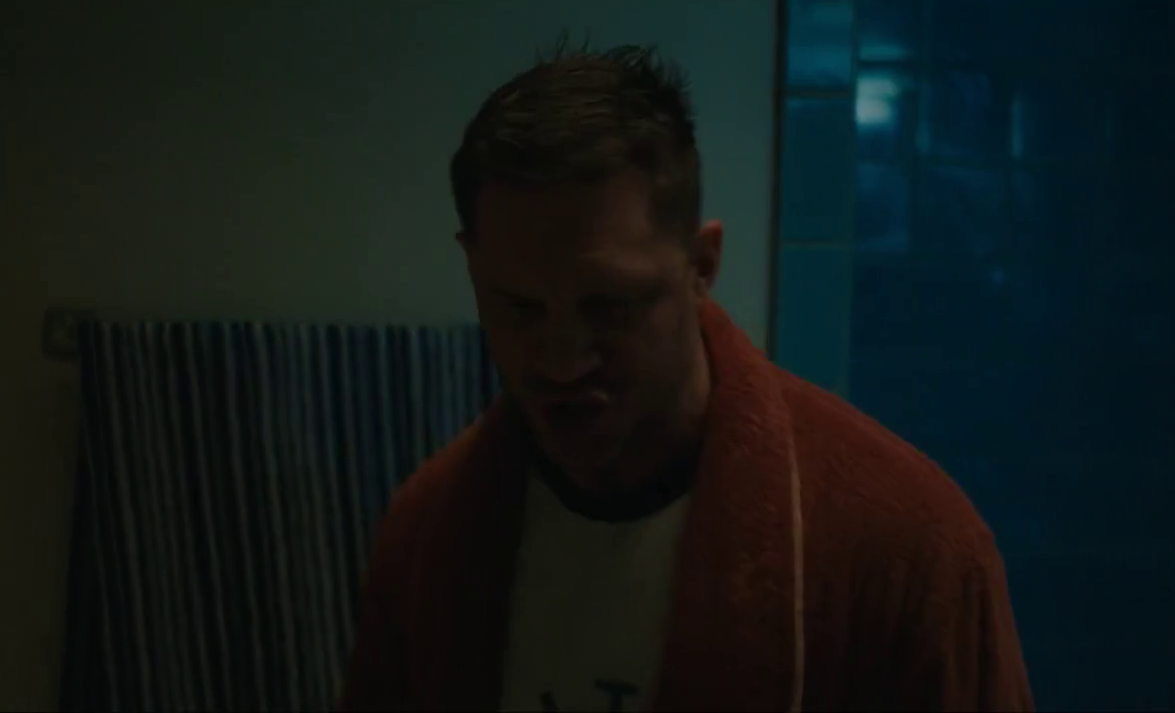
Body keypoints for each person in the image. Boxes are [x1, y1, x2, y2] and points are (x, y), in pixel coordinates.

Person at [340, 42, 1033, 713]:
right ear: (473, 268)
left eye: (608, 307)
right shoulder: (427, 536)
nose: (561, 361)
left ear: (702, 266)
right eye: (520, 308)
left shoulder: (908, 553)